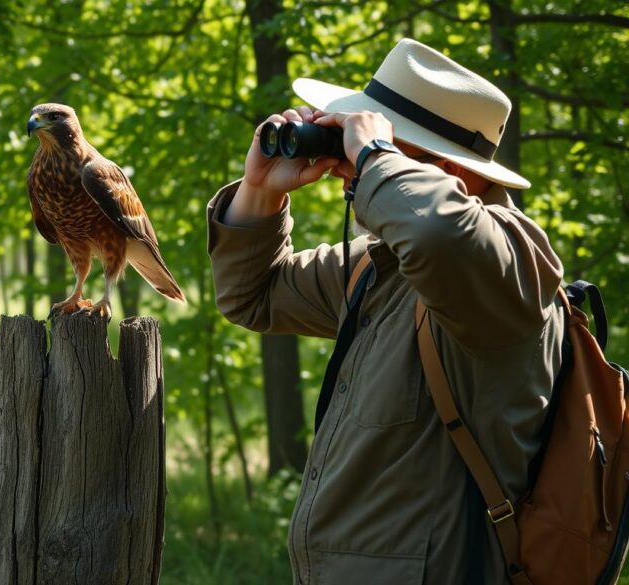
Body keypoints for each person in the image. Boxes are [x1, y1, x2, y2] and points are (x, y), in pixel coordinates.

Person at [207, 38, 564, 584]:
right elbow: (252, 295)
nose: (349, 171)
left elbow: (440, 232)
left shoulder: (513, 262)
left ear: (455, 173)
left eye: (370, 150)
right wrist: (261, 191)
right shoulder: (379, 271)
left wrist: (376, 155)